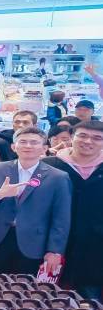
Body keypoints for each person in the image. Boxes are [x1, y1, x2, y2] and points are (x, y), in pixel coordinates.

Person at [0, 127, 72, 275]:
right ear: (14, 147)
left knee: (26, 285)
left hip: (34, 241)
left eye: (34, 142)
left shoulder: (58, 177)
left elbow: (61, 217)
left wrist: (55, 250)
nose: (28, 146)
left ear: (44, 148)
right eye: (23, 142)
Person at [44, 121, 103, 299]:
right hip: (51, 244)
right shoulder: (49, 165)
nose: (88, 141)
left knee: (90, 302)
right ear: (71, 137)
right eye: (82, 135)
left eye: (97, 138)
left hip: (95, 249)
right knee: (45, 300)